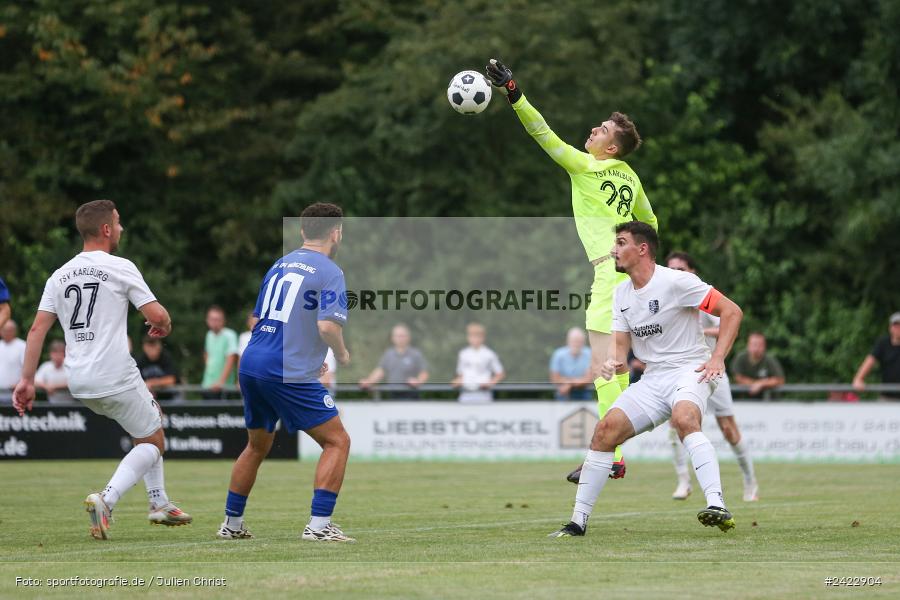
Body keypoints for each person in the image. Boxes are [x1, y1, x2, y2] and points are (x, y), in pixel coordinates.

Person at [487, 58, 658, 478]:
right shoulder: (631, 178)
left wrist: (513, 92)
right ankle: (615, 450)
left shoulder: (586, 166)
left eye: (601, 131)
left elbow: (541, 133)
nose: (593, 131)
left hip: (606, 275)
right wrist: (638, 258)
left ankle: (611, 456)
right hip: (631, 278)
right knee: (615, 368)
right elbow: (650, 224)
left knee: (602, 368)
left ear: (611, 148)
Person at [549, 222, 743, 537]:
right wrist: (615, 362)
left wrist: (717, 357)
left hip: (690, 369)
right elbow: (622, 348)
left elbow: (732, 311)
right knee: (604, 432)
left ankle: (717, 504)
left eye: (621, 242)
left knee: (684, 419)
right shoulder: (621, 294)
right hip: (654, 378)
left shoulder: (678, 282)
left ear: (642, 249)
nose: (614, 249)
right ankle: (576, 523)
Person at [12, 199, 190, 540]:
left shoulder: (59, 275)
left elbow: (36, 331)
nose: (121, 229)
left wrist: (26, 380)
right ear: (107, 229)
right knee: (154, 440)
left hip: (78, 380)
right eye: (119, 223)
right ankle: (106, 499)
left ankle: (160, 502)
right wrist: (164, 326)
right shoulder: (120, 266)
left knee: (150, 422)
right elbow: (157, 315)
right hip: (114, 373)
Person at [219, 202, 354, 542]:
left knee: (256, 446)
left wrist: (309, 357)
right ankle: (319, 527)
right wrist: (340, 351)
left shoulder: (279, 265)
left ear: (302, 231)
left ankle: (231, 525)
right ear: (336, 233)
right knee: (337, 441)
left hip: (253, 362)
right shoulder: (329, 271)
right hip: (283, 368)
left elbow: (264, 320)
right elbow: (326, 326)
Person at [665, 252, 758, 502]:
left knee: (728, 428)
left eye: (681, 268)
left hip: (711, 371)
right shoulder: (664, 296)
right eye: (671, 268)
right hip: (681, 374)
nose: (675, 273)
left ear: (693, 271)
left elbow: (726, 322)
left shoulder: (698, 295)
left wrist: (701, 330)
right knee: (676, 426)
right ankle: (683, 481)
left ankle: (750, 482)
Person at [358, 323, 429, 399]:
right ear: (392, 338)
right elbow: (380, 371)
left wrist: (418, 381)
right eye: (397, 336)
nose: (400, 338)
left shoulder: (415, 354)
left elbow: (424, 372)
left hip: (412, 395)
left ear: (408, 337)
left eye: (402, 336)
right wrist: (369, 381)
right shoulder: (388, 354)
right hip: (393, 395)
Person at [452, 322, 505, 403]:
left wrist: (489, 383)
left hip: (483, 394)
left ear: (483, 338)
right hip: (466, 394)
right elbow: (461, 375)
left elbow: (500, 374)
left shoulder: (489, 354)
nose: (474, 339)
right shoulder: (463, 354)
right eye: (472, 336)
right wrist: (456, 382)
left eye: (477, 336)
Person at [852, 312, 900, 399]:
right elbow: (870, 360)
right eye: (896, 326)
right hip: (887, 397)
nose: (898, 329)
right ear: (890, 328)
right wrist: (858, 378)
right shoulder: (883, 343)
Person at [731, 332, 785, 399]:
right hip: (744, 401)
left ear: (764, 346)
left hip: (768, 401)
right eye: (754, 344)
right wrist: (755, 384)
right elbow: (738, 378)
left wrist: (761, 384)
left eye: (760, 345)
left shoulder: (770, 359)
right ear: (748, 345)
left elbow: (780, 380)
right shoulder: (740, 358)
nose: (756, 348)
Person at [201, 305, 239, 399]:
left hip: (223, 388)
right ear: (207, 320)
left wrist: (221, 382)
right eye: (212, 319)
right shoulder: (209, 334)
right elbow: (206, 354)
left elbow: (231, 358)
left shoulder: (230, 335)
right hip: (207, 384)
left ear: (223, 320)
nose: (214, 322)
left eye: (217, 319)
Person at [549, 327, 593, 400]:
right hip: (563, 392)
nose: (576, 344)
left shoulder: (590, 354)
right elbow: (554, 378)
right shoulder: (558, 354)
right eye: (574, 341)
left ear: (583, 342)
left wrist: (569, 383)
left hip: (583, 392)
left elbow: (588, 379)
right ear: (568, 341)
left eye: (579, 341)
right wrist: (574, 382)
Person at [136, 336, 181, 401]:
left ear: (159, 346)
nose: (152, 350)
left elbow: (171, 380)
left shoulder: (166, 358)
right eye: (149, 346)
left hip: (169, 398)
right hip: (148, 399)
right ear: (144, 347)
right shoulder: (140, 360)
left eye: (154, 346)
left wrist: (152, 383)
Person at [0, 320, 27, 404]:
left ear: (15, 331)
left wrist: (21, 383)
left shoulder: (22, 346)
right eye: (4, 330)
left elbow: (27, 368)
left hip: (16, 394)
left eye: (9, 330)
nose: (6, 333)